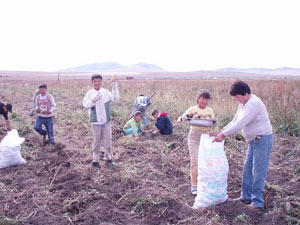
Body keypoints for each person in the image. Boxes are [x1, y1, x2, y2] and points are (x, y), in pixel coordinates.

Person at [213, 80, 273, 210]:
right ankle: (245, 197)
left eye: (237, 97)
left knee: (258, 172)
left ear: (245, 93)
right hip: (253, 142)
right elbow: (235, 120)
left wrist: (223, 135)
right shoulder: (244, 104)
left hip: (262, 140)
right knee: (247, 170)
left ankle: (257, 202)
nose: (236, 99)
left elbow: (240, 124)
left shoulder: (253, 104)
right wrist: (221, 130)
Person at [177, 89, 215, 195]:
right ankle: (194, 185)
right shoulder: (192, 109)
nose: (204, 101)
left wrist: (213, 121)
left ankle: (203, 183)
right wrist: (187, 116)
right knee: (195, 161)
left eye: (207, 99)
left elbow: (212, 122)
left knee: (205, 162)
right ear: (198, 98)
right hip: (194, 136)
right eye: (203, 98)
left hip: (206, 137)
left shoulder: (210, 110)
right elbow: (180, 119)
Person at [83, 74, 119, 169]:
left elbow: (115, 99)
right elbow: (85, 105)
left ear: (101, 82)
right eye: (95, 81)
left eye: (99, 81)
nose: (97, 83)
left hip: (106, 122)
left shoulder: (106, 92)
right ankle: (95, 160)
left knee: (108, 142)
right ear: (92, 82)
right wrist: (93, 101)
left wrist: (115, 86)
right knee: (96, 142)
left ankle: (108, 159)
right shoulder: (90, 93)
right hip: (95, 123)